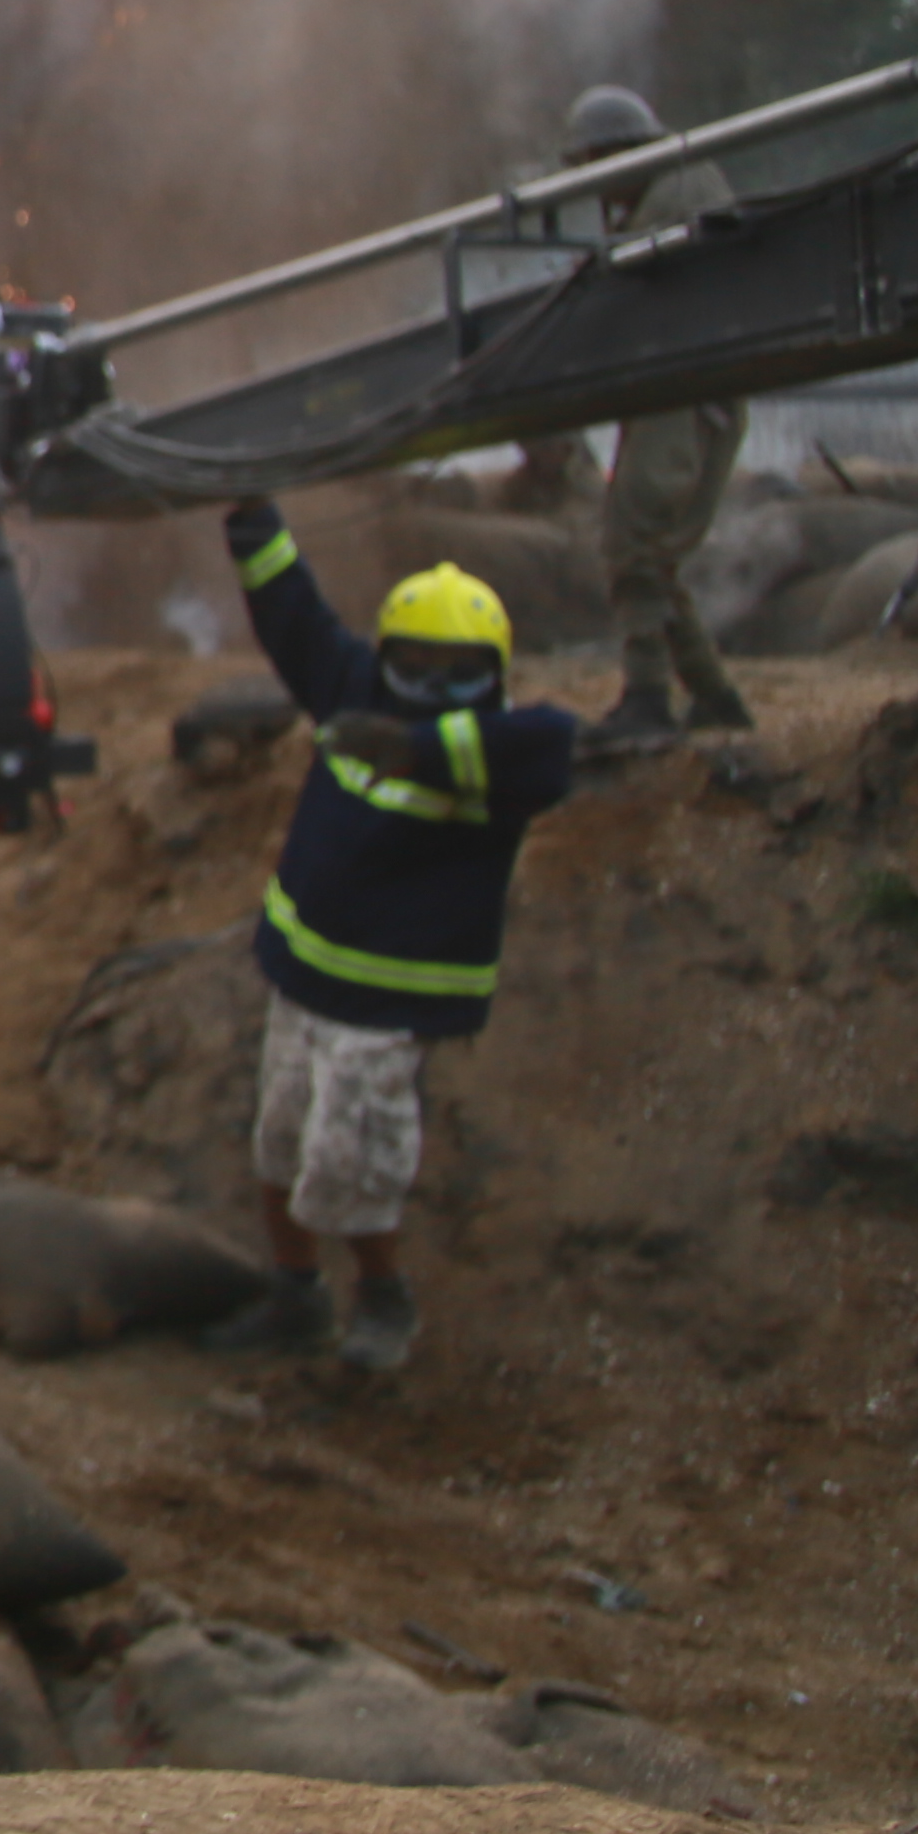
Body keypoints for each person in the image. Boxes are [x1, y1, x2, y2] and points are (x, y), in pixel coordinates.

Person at [191, 507, 584, 1372]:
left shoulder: (501, 754)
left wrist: (412, 747)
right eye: (417, 665)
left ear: (494, 671)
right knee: (281, 1143)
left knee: (356, 1164)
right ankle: (295, 1294)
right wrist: (256, 533)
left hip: (386, 1011)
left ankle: (383, 1301)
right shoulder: (352, 687)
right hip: (302, 986)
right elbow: (296, 621)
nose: (435, 683)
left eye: (460, 672)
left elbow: (553, 746)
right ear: (389, 655)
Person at [560, 86, 754, 753]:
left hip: (685, 394)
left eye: (595, 165)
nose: (595, 187)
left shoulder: (675, 187)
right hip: (679, 390)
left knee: (634, 543)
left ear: (621, 153)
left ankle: (648, 697)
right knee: (653, 557)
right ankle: (714, 695)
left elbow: (634, 286)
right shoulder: (666, 188)